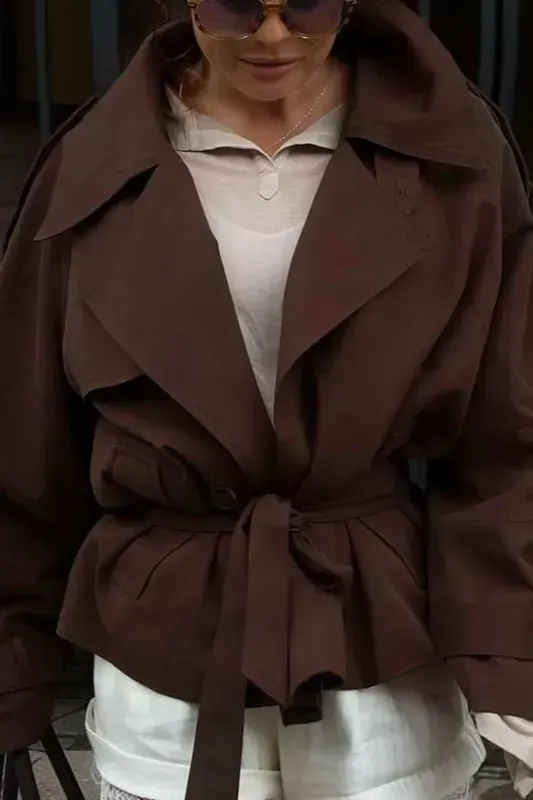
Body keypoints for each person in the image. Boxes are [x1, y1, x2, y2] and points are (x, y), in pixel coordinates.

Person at [1, 0, 533, 798]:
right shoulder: (92, 164)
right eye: (236, 6)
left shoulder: (453, 154)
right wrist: (13, 666)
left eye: (306, 4)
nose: (273, 35)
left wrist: (511, 665)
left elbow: (507, 433)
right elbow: (25, 440)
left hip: (380, 642)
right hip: (164, 655)